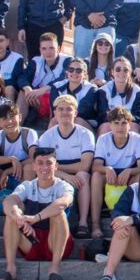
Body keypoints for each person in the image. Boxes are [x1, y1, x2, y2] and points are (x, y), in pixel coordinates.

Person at [0, 147, 75, 280]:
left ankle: (55, 270)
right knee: (11, 216)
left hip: (55, 242)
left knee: (58, 213)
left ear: (56, 166)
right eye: (40, 163)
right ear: (34, 166)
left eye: (48, 163)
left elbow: (63, 202)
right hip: (32, 240)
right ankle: (11, 270)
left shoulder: (64, 186)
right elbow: (8, 201)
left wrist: (36, 218)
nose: (44, 167)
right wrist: (20, 219)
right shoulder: (27, 186)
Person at [38, 95, 97, 238]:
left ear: (75, 113)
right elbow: (43, 166)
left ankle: (83, 223)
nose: (64, 113)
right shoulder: (47, 136)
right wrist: (65, 175)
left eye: (69, 109)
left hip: (75, 176)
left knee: (83, 175)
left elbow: (85, 165)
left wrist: (57, 168)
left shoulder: (85, 134)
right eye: (61, 109)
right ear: (55, 113)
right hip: (56, 176)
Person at [91, 107, 140, 236]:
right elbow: (95, 166)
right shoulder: (103, 139)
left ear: (130, 125)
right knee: (96, 176)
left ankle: (132, 220)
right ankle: (95, 225)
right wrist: (107, 169)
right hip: (110, 174)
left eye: (124, 123)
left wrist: (129, 171)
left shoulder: (138, 139)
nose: (120, 127)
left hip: (129, 173)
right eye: (116, 123)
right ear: (110, 125)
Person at [0, 103, 38, 220]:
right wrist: (11, 159)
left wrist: (8, 171)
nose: (9, 121)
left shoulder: (29, 133)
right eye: (5, 118)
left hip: (22, 177)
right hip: (3, 179)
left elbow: (34, 158)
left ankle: (25, 213)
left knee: (30, 167)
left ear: (20, 117)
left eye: (12, 117)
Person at [16, 32, 71, 123]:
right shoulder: (36, 61)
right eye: (44, 49)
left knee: (55, 94)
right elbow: (22, 77)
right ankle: (17, 126)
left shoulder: (67, 60)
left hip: (59, 99)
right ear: (40, 50)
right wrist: (27, 88)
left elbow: (65, 77)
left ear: (59, 48)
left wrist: (45, 88)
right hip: (38, 99)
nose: (48, 52)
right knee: (23, 93)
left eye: (51, 48)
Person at [96, 57, 140, 135]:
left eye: (125, 70)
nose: (121, 72)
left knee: (134, 127)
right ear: (112, 72)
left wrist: (123, 122)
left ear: (130, 72)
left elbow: (137, 116)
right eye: (118, 69)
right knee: (105, 127)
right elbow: (103, 115)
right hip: (110, 123)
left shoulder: (138, 92)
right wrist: (117, 122)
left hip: (128, 123)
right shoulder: (104, 91)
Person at [49, 59, 101, 132]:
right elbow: (55, 109)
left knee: (76, 120)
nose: (74, 73)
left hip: (85, 122)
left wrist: (65, 117)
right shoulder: (56, 87)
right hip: (62, 118)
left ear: (85, 74)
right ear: (67, 72)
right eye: (71, 69)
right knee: (54, 120)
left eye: (78, 70)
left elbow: (82, 111)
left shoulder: (92, 89)